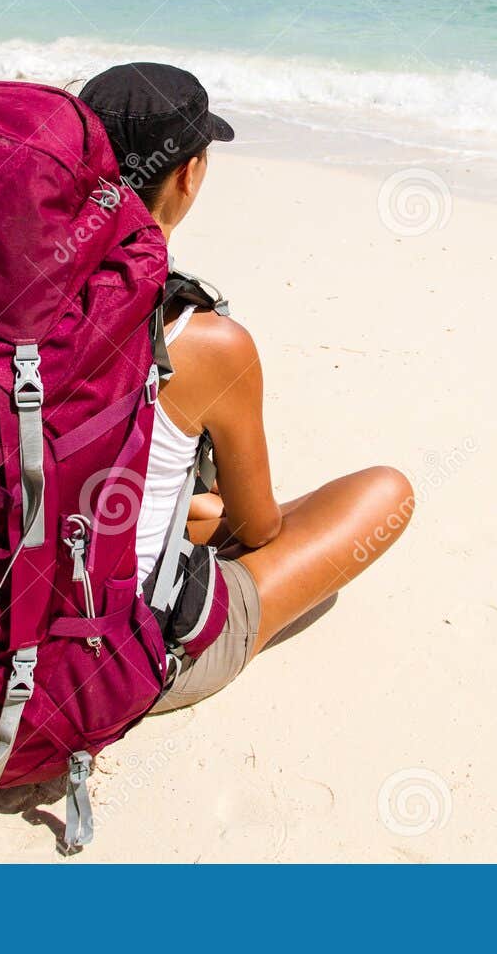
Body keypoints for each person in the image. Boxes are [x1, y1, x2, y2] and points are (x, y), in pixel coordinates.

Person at [79, 63, 414, 712]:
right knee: (386, 493)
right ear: (190, 175)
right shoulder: (200, 339)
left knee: (196, 505)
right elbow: (258, 528)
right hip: (93, 667)